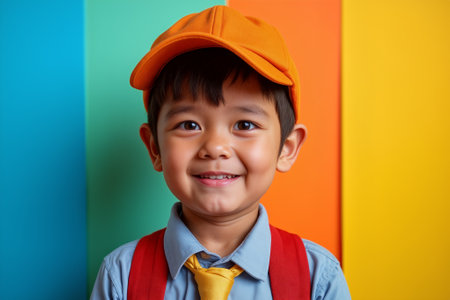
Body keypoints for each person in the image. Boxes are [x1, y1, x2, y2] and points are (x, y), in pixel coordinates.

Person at [90, 5, 351, 300]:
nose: (215, 147)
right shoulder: (121, 276)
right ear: (154, 148)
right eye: (189, 124)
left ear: (287, 148)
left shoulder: (318, 277)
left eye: (244, 124)